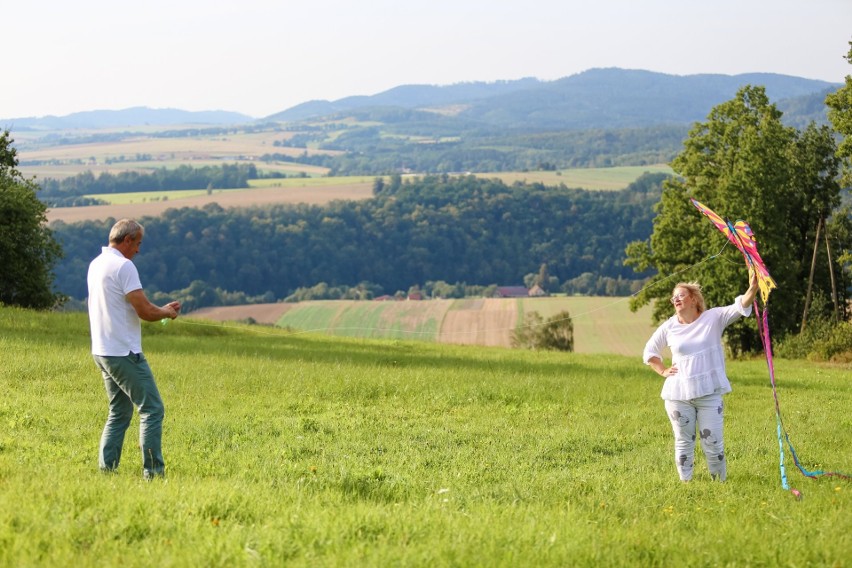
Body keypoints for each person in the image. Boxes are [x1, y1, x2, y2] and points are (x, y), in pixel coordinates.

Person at [87, 218, 181, 480]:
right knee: (152, 409)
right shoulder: (123, 266)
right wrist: (167, 312)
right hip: (124, 353)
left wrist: (162, 310)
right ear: (127, 240)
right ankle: (154, 474)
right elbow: (145, 311)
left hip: (102, 351)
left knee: (119, 412)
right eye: (137, 243)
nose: (138, 249)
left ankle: (107, 471)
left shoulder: (97, 264)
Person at [643, 273, 759, 482]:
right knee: (683, 440)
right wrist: (662, 371)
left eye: (680, 295)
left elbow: (741, 305)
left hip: (709, 393)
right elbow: (650, 351)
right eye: (673, 298)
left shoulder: (713, 318)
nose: (676, 300)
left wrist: (753, 287)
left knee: (713, 442)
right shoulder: (669, 326)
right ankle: (686, 483)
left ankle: (720, 484)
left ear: (694, 299)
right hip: (678, 394)